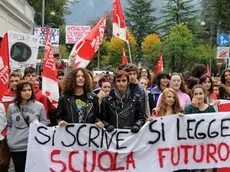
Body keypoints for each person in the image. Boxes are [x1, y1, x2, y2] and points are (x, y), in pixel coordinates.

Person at [6, 81, 48, 172]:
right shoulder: (11, 107)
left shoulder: (39, 106)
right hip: (16, 147)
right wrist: (10, 140)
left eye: (29, 90)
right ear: (19, 91)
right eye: (24, 90)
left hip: (33, 146)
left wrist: (38, 124)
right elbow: (9, 125)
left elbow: (45, 122)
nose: (27, 92)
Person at [184, 85, 216, 172]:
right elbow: (191, 126)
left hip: (208, 148)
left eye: (200, 93)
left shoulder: (210, 109)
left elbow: (214, 130)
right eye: (196, 94)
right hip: (195, 149)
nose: (198, 96)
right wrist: (195, 108)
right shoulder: (188, 109)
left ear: (204, 94)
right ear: (192, 95)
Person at [0, 71, 22, 172]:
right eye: (12, 81)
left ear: (21, 81)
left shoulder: (26, 96)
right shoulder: (4, 97)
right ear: (8, 83)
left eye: (17, 81)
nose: (14, 83)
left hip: (21, 134)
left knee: (20, 163)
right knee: (3, 163)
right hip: (7, 133)